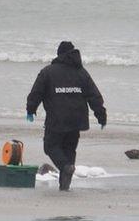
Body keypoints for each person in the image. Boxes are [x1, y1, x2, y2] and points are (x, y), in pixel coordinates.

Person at [26, 41, 107, 191]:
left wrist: (30, 109)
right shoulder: (82, 72)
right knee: (69, 150)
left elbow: (36, 93)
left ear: (59, 54)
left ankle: (65, 167)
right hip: (77, 119)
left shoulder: (48, 72)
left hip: (57, 119)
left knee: (50, 146)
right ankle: (64, 186)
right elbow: (94, 95)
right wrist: (101, 115)